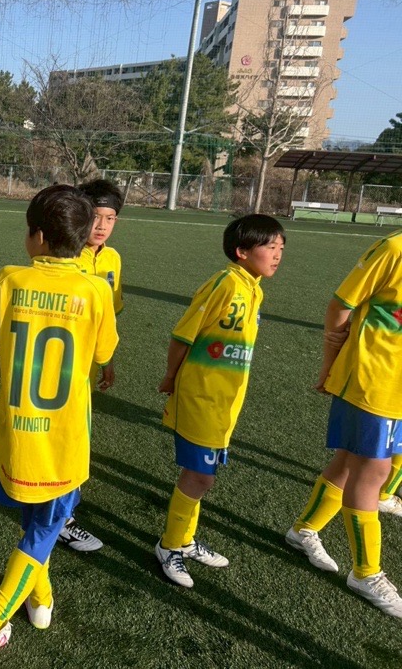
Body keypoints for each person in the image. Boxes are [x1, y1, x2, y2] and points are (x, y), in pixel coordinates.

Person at [0, 185, 118, 653]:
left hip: (15, 431)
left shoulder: (9, 278)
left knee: (36, 523)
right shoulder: (96, 289)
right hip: (64, 440)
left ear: (40, 237)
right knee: (46, 527)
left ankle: (42, 598)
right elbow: (104, 353)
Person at [155, 214, 285, 588]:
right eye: (270, 246)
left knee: (203, 476)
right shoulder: (225, 283)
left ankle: (184, 539)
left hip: (224, 401)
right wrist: (171, 377)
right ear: (242, 251)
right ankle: (169, 546)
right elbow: (183, 335)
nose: (278, 254)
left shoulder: (254, 288)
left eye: (281, 247)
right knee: (200, 476)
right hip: (200, 396)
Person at [286, 229, 402, 617]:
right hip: (371, 379)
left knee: (350, 461)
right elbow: (340, 305)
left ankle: (302, 530)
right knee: (373, 470)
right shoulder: (394, 249)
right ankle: (366, 573)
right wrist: (329, 364)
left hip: (396, 385)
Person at [58, 178, 125, 554]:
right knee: (66, 436)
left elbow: (111, 314)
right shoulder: (66, 254)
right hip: (62, 360)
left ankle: (61, 508)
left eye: (110, 218)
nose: (101, 226)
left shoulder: (113, 259)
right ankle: (62, 519)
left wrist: (107, 359)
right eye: (95, 217)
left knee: (76, 433)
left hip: (88, 361)